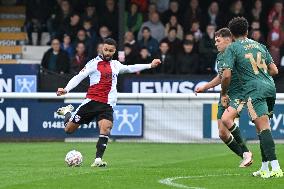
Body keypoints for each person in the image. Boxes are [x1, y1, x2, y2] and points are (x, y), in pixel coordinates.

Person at [56, 38, 161, 167]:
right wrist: (66, 89)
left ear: (114, 51)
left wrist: (149, 65)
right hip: (91, 102)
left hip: (107, 104)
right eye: (106, 49)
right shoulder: (93, 64)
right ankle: (67, 112)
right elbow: (78, 77)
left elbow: (130, 68)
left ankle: (98, 160)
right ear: (102, 49)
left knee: (105, 129)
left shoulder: (116, 65)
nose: (107, 53)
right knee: (69, 130)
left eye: (110, 51)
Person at [221, 17, 282, 178]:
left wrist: (224, 93)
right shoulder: (260, 46)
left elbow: (226, 75)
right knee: (260, 128)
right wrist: (261, 75)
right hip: (270, 87)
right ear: (247, 31)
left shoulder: (233, 48)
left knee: (264, 128)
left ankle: (275, 168)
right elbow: (275, 70)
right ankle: (264, 167)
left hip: (254, 90)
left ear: (232, 34)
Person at [195, 28, 252, 168]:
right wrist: (206, 87)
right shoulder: (221, 56)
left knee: (227, 119)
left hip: (239, 93)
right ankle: (245, 156)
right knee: (222, 133)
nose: (216, 44)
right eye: (215, 41)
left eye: (218, 40)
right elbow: (221, 76)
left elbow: (228, 76)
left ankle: (246, 153)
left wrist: (224, 93)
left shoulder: (235, 51)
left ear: (228, 39)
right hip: (225, 94)